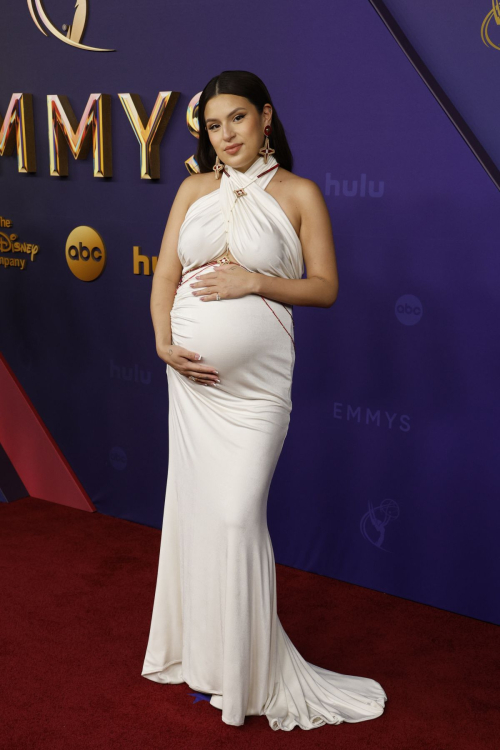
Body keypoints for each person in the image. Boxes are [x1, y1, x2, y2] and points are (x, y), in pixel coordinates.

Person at [141, 69, 387, 731]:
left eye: (237, 120)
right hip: (190, 387)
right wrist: (163, 341)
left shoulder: (301, 193)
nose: (226, 136)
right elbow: (167, 272)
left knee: (236, 517)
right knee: (198, 516)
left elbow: (326, 287)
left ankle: (248, 670)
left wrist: (254, 280)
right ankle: (210, 661)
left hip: (255, 393)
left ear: (266, 117)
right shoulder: (193, 189)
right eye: (214, 126)